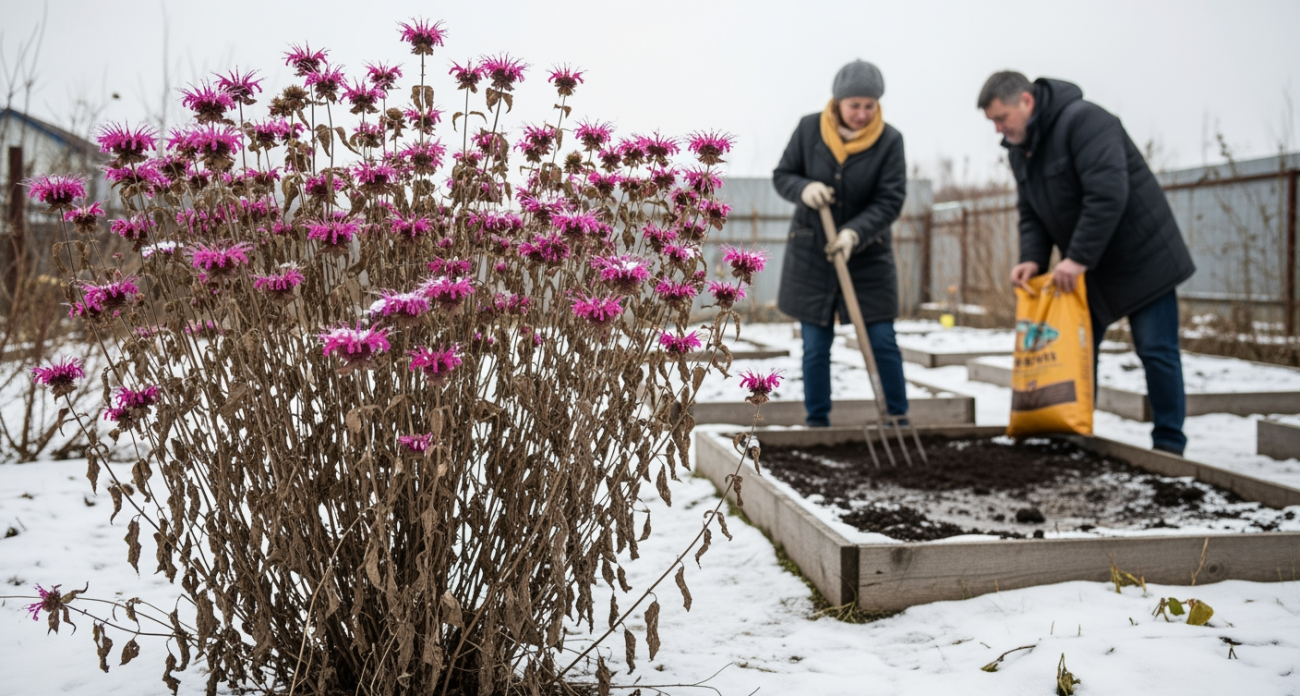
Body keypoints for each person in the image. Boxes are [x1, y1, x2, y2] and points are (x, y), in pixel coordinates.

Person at [978, 71, 1196, 454]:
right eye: (993, 122)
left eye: (1002, 118)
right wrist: (1032, 260)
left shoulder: (1085, 121)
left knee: (1155, 350)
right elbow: (1032, 213)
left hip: (1143, 259)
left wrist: (1076, 258)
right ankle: (1075, 431)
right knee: (1077, 349)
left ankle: (1169, 445)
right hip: (1090, 266)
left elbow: (1108, 194)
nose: (999, 128)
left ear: (1026, 102)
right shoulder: (1021, 149)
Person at [773, 59, 909, 428]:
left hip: (868, 256)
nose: (862, 114)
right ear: (837, 102)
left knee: (882, 340)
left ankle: (897, 417)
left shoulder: (889, 140)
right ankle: (817, 424)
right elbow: (782, 175)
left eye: (869, 106)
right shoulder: (808, 129)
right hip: (813, 255)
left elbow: (891, 200)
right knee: (816, 346)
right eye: (854, 105)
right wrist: (805, 188)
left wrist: (854, 233)